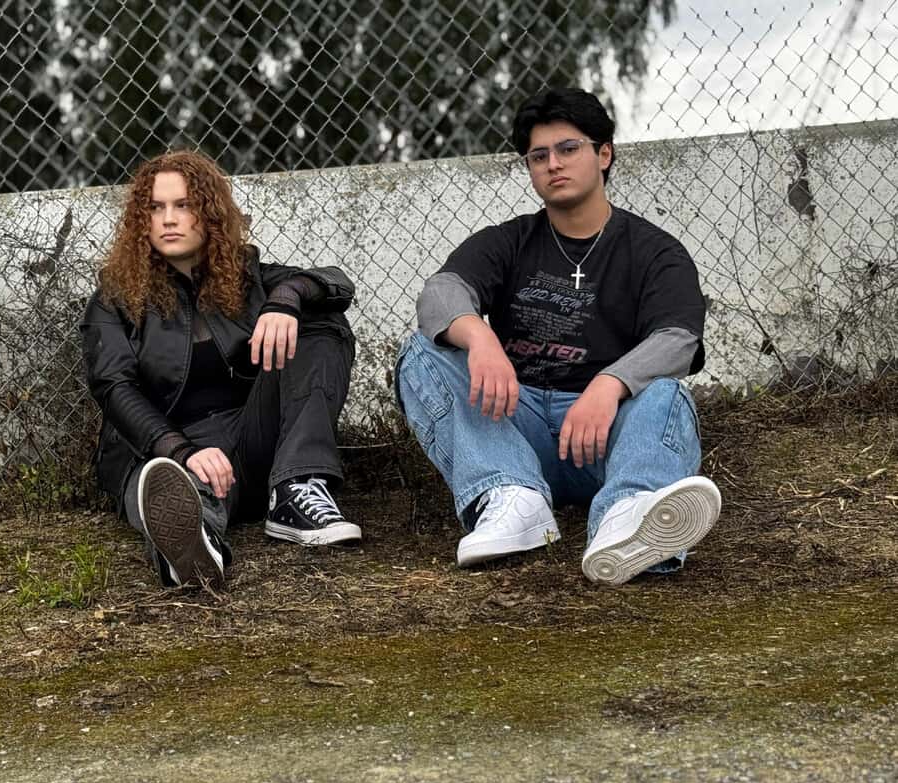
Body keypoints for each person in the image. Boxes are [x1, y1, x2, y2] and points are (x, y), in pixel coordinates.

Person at [395, 88, 721, 585]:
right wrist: (480, 341)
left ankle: (628, 515)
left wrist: (609, 385)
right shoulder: (509, 240)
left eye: (568, 149)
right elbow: (440, 295)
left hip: (606, 434)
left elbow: (678, 338)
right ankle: (512, 498)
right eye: (538, 156)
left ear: (603, 153)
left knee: (664, 393)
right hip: (511, 425)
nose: (553, 164)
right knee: (423, 351)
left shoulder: (655, 251)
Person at [81, 150, 360, 591]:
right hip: (163, 451)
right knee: (171, 486)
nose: (168, 219)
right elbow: (113, 386)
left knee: (319, 319)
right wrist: (182, 449)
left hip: (252, 443)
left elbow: (335, 282)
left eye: (184, 205)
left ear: (208, 213)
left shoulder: (244, 277)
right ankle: (194, 546)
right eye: (156, 207)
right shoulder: (115, 299)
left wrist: (284, 300)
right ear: (142, 220)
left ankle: (298, 486)